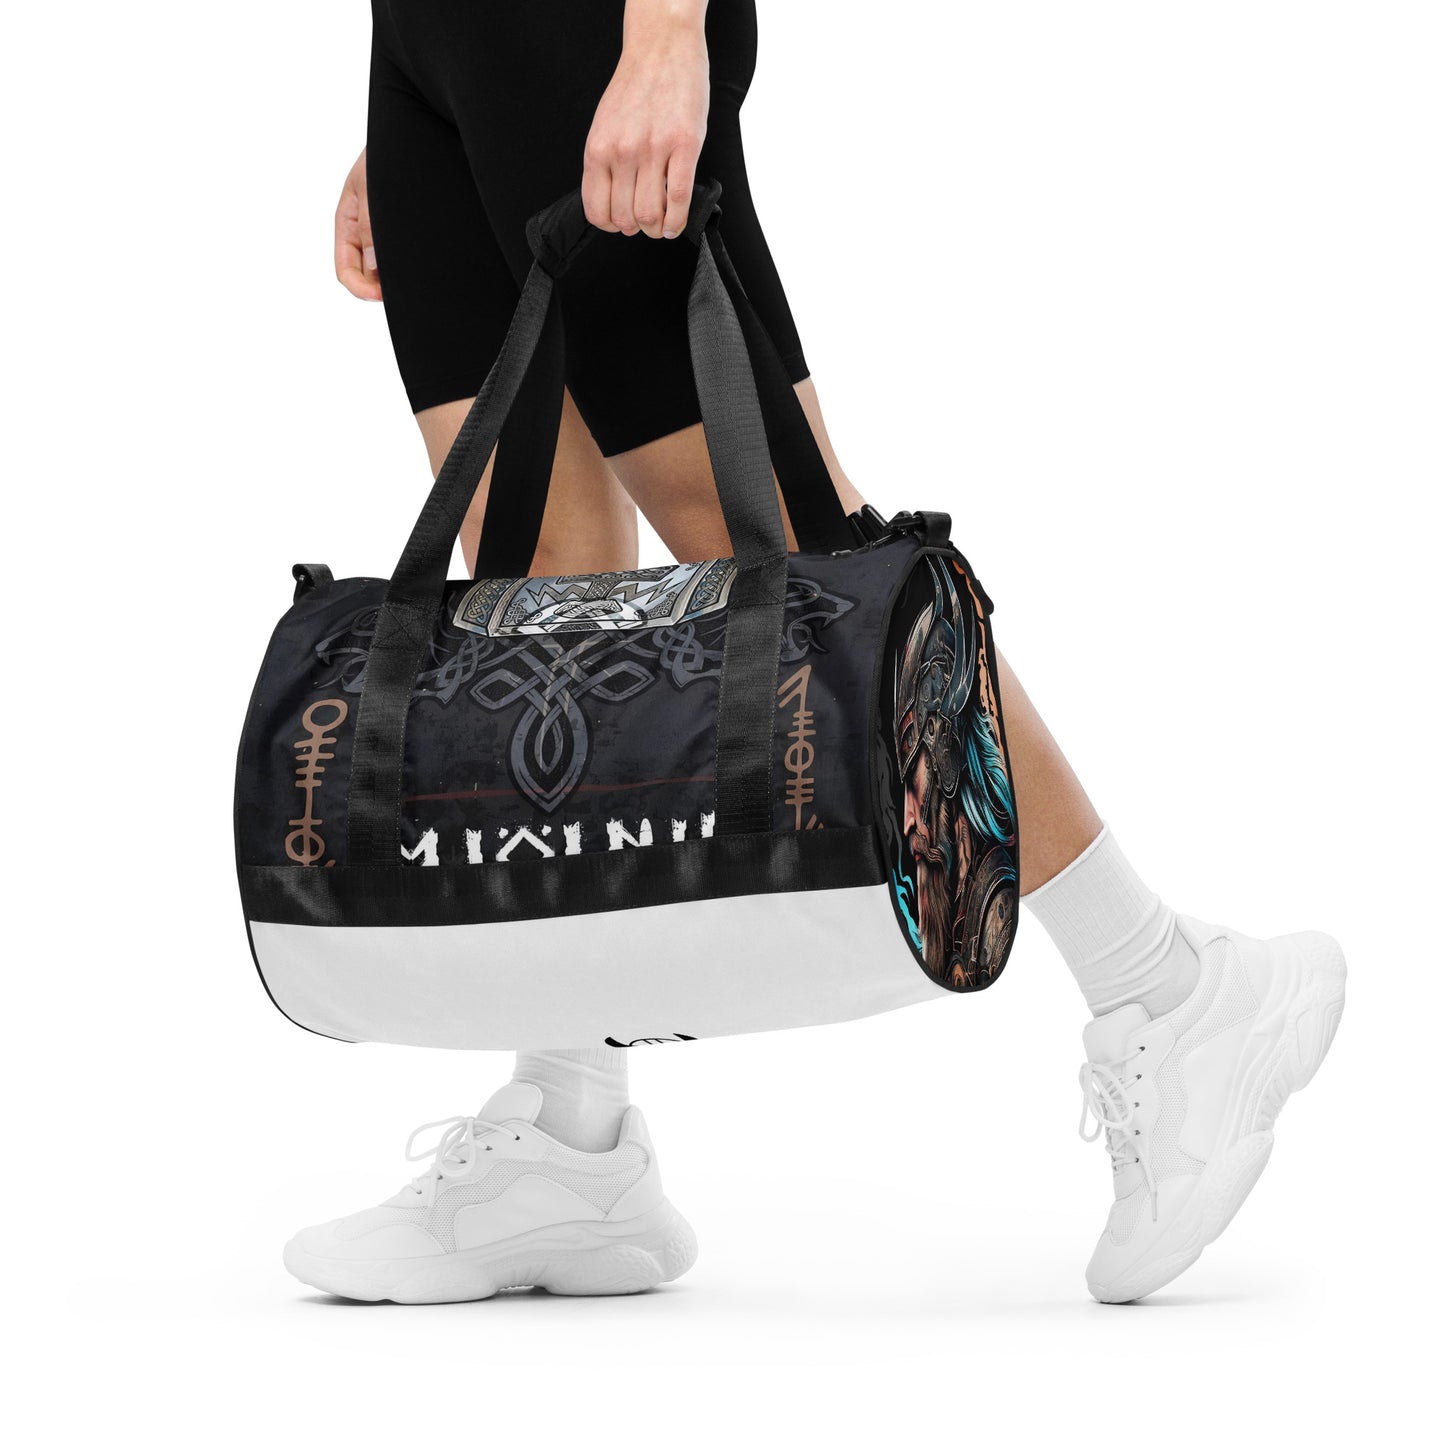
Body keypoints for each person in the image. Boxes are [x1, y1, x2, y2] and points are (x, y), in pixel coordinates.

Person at [284, 0, 1345, 1306]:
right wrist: (428, 96)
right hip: (438, 44)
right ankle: (571, 1134)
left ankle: (1170, 987)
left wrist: (663, 33)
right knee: (535, 598)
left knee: (807, 570)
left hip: (584, 23)